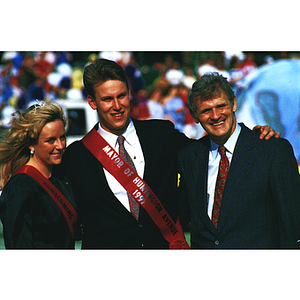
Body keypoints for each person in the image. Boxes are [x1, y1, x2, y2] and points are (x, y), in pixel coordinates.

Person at [59, 58, 279, 250]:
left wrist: (252, 137)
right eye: (107, 99)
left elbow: (208, 150)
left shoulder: (161, 134)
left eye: (122, 96)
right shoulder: (76, 156)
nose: (117, 106)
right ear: (92, 102)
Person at [177, 72, 300, 249]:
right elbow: (181, 215)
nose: (215, 115)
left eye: (221, 106)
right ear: (195, 116)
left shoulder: (272, 150)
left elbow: (292, 226)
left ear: (234, 103)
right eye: (205, 110)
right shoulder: (189, 156)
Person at [0, 101, 77, 249]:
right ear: (31, 144)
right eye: (50, 140)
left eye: (62, 137)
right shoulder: (19, 188)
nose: (60, 146)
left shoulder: (61, 175)